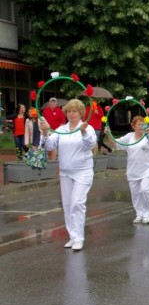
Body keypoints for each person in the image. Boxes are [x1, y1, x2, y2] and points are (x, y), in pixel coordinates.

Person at [39, 99, 97, 251]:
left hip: (83, 172)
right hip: (65, 173)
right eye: (69, 111)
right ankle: (73, 236)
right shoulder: (61, 129)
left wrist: (83, 132)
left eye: (74, 111)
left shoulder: (87, 128)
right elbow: (50, 145)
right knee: (67, 205)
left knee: (77, 203)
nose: (71, 114)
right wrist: (45, 132)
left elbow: (90, 144)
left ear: (80, 113)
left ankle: (79, 238)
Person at [105, 116, 149, 224]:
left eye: (143, 124)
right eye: (138, 124)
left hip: (147, 170)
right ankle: (139, 214)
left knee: (145, 190)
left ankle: (147, 213)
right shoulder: (129, 137)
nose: (141, 127)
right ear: (133, 126)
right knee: (135, 194)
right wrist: (108, 134)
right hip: (133, 170)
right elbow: (115, 144)